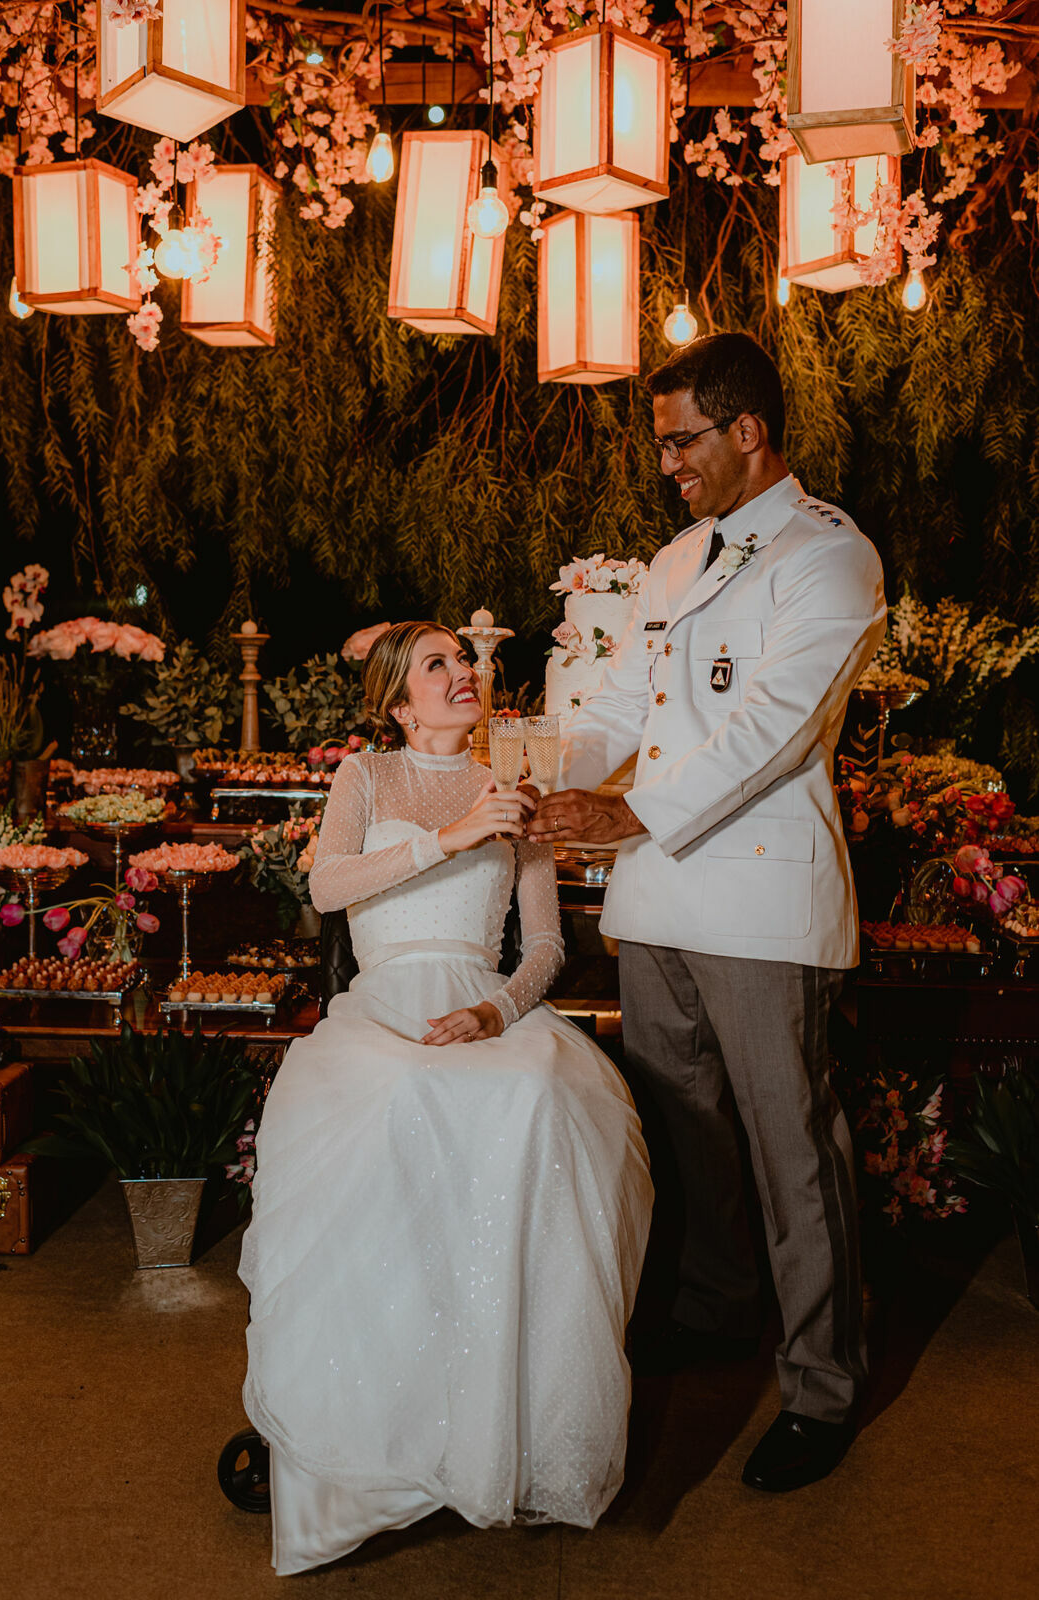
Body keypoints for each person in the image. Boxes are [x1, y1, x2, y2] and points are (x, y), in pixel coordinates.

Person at [529, 332, 886, 1493]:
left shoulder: (829, 557)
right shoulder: (675, 561)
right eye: (661, 444)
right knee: (686, 1124)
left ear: (749, 429)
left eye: (683, 441)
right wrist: (539, 774)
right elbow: (621, 704)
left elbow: (771, 728)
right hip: (661, 897)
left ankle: (823, 1381)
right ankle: (721, 1303)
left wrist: (621, 816)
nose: (667, 464)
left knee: (794, 1147)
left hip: (762, 895)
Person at [239, 621, 653, 1575]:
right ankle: (372, 1436)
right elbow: (329, 881)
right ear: (398, 700)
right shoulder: (367, 778)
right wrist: (460, 830)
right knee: (389, 1097)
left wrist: (497, 1009)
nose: (463, 674)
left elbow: (546, 946)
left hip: (480, 1001)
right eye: (439, 665)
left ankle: (500, 1428)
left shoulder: (520, 782)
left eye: (465, 662)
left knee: (543, 1096)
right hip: (385, 1003)